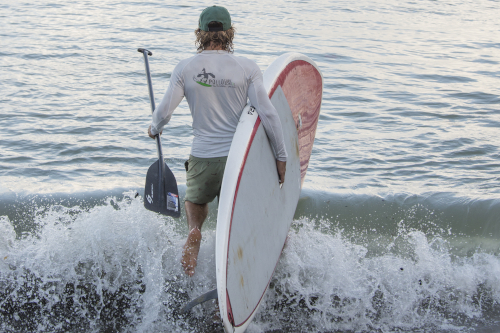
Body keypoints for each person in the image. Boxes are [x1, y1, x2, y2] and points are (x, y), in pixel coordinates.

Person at [147, 5, 287, 277]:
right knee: (235, 219)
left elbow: (164, 112)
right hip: (237, 158)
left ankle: (195, 231)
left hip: (202, 156)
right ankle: (234, 272)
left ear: (200, 33)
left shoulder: (185, 67)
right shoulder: (246, 67)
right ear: (229, 32)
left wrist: (154, 128)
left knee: (196, 203)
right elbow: (268, 114)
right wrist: (281, 157)